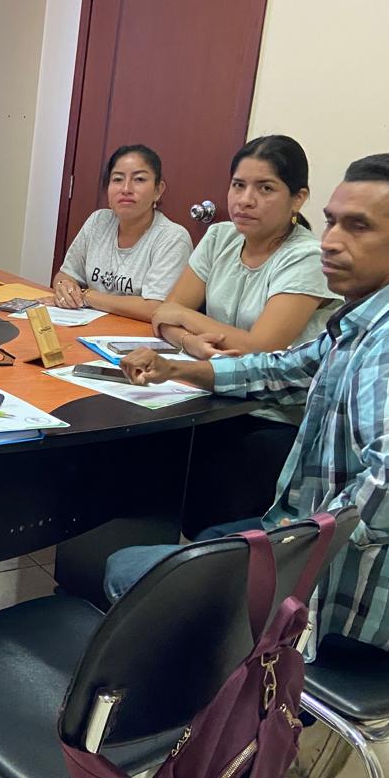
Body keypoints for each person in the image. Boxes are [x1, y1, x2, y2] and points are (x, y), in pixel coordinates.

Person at [110, 153, 389, 661]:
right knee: (204, 536)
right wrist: (179, 369)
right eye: (331, 221)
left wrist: (289, 548)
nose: (329, 241)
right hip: (343, 560)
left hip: (356, 602)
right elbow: (284, 367)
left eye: (358, 227)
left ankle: (212, 696)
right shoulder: (379, 319)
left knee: (129, 571)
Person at [153, 135, 338, 531]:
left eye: (265, 188)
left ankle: (208, 557)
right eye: (238, 185)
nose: (245, 200)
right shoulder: (220, 236)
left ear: (298, 198)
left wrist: (185, 318)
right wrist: (188, 341)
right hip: (209, 393)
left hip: (272, 413)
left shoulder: (307, 256)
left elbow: (262, 348)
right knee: (139, 458)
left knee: (211, 499)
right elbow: (164, 316)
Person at [50, 143, 192, 321]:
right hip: (88, 326)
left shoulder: (173, 238)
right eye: (117, 179)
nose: (126, 189)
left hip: (138, 334)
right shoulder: (98, 221)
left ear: (158, 190)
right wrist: (64, 287)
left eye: (139, 179)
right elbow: (65, 275)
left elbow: (155, 308)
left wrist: (88, 297)